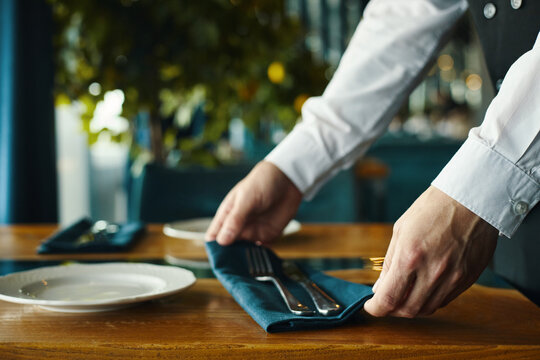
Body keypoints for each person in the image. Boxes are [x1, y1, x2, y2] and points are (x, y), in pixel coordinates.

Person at [205, 0, 540, 317]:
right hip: (519, 234)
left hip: (505, 202)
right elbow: (406, 16)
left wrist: (477, 191)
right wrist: (293, 164)